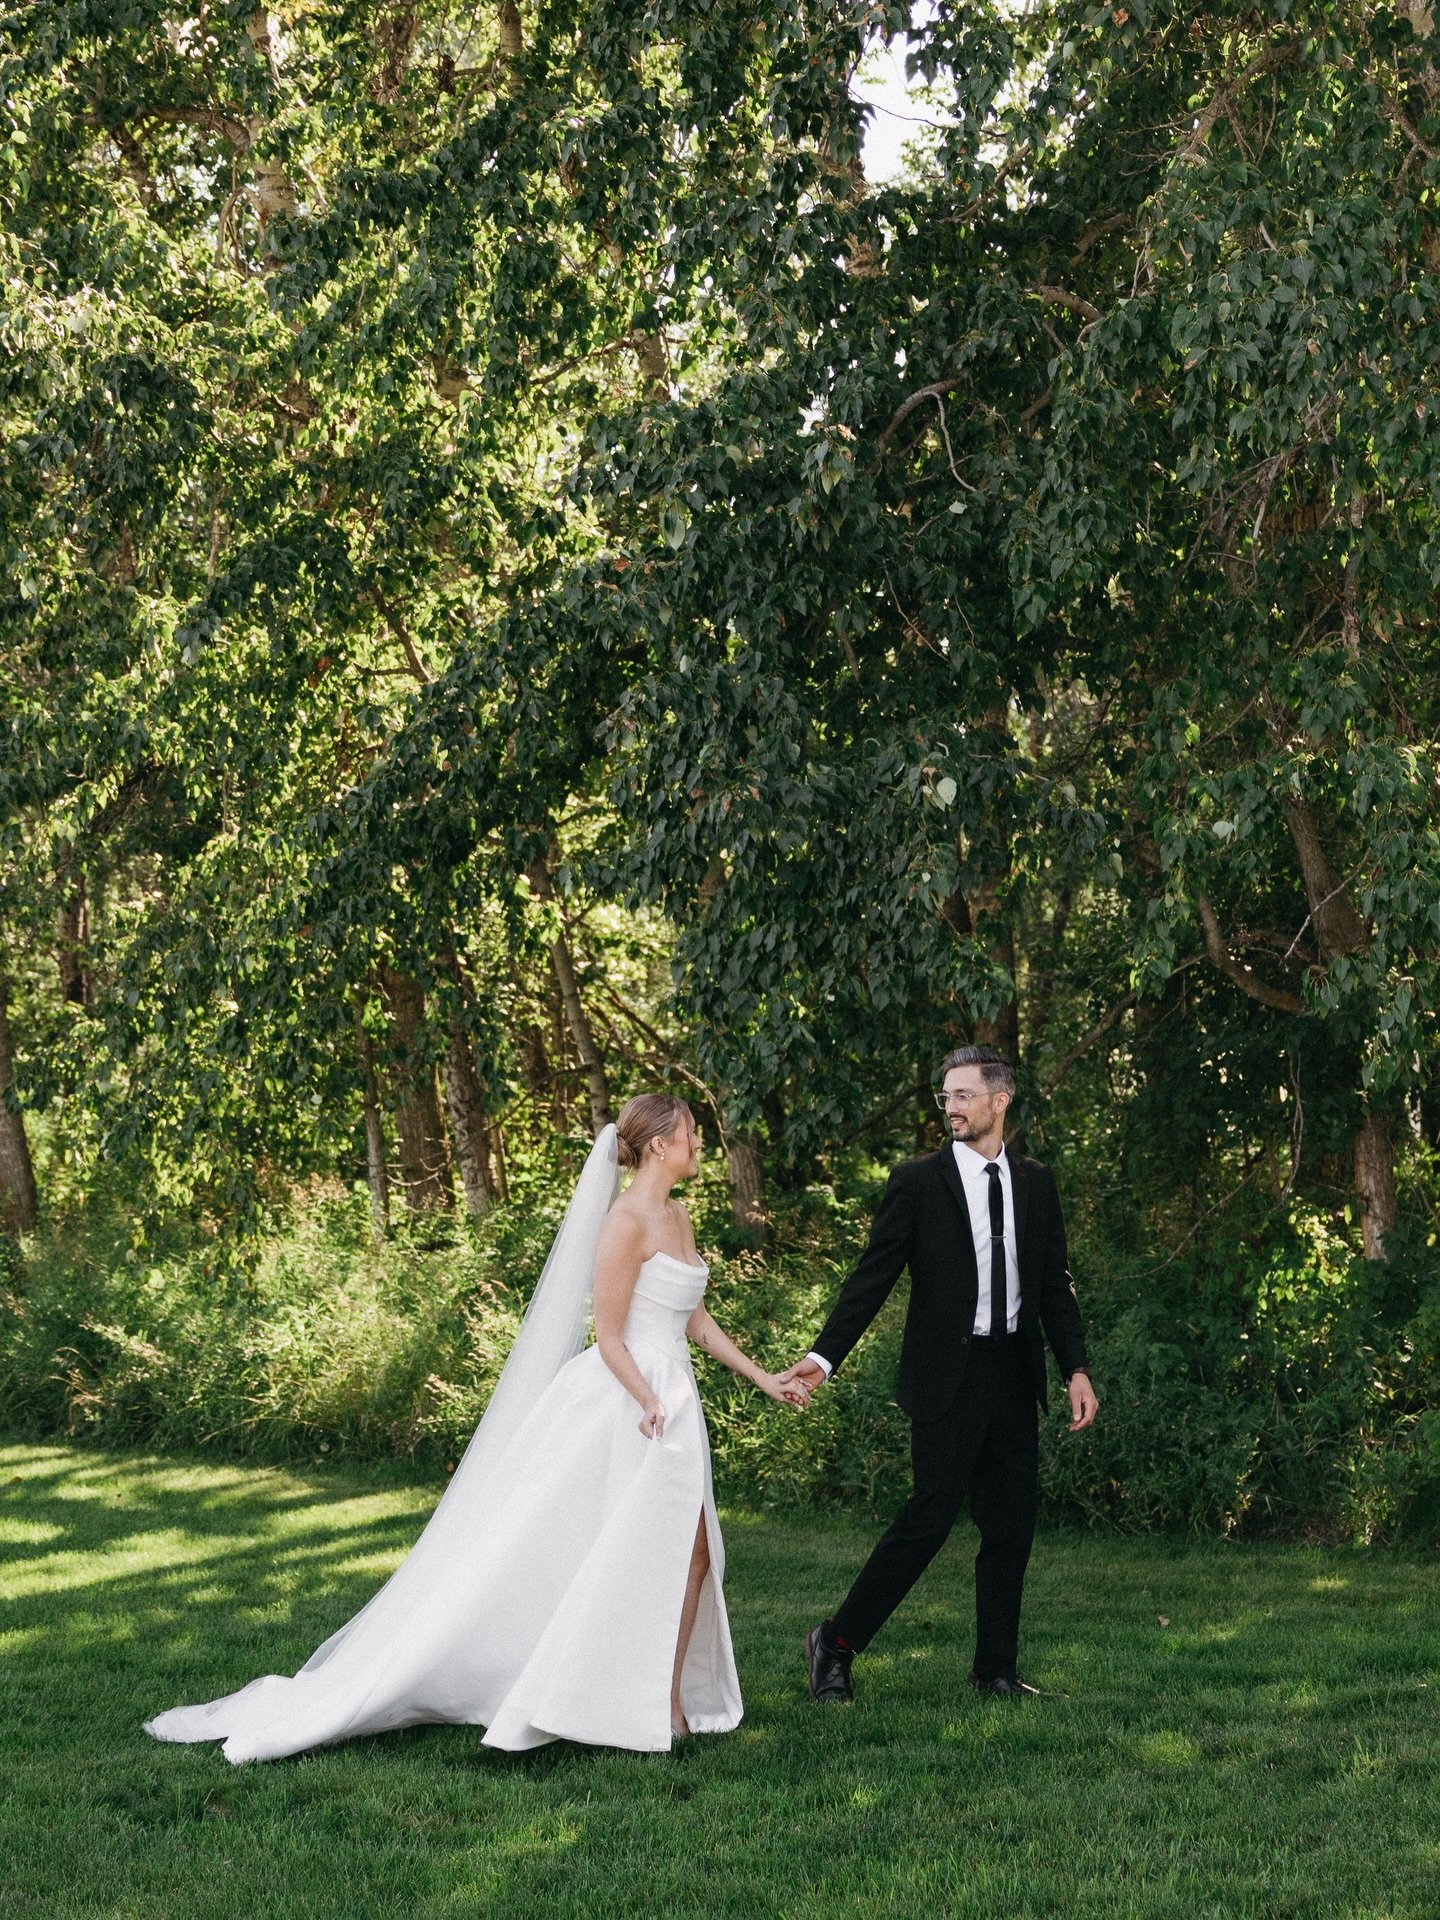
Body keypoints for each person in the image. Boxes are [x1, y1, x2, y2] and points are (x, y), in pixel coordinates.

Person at [145, 1095, 805, 1761]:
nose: (700, 1143)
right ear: (659, 1143)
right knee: (612, 1552)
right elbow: (608, 1337)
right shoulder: (624, 1223)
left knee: (690, 1555)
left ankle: (661, 1700)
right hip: (625, 1404)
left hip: (672, 1398)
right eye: (691, 1133)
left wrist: (763, 1377)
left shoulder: (679, 1215)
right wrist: (644, 1399)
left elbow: (693, 1320)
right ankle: (594, 1692)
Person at [780, 1046, 1097, 1703]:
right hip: (946, 1374)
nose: (949, 1107)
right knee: (928, 1520)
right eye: (944, 1097)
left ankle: (996, 1671)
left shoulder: (1035, 1182)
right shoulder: (918, 1181)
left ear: (999, 1100)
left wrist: (1075, 1367)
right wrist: (822, 1357)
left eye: (962, 1096)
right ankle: (835, 1644)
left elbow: (1053, 1284)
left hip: (1013, 1371)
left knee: (1011, 1526)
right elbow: (874, 1277)